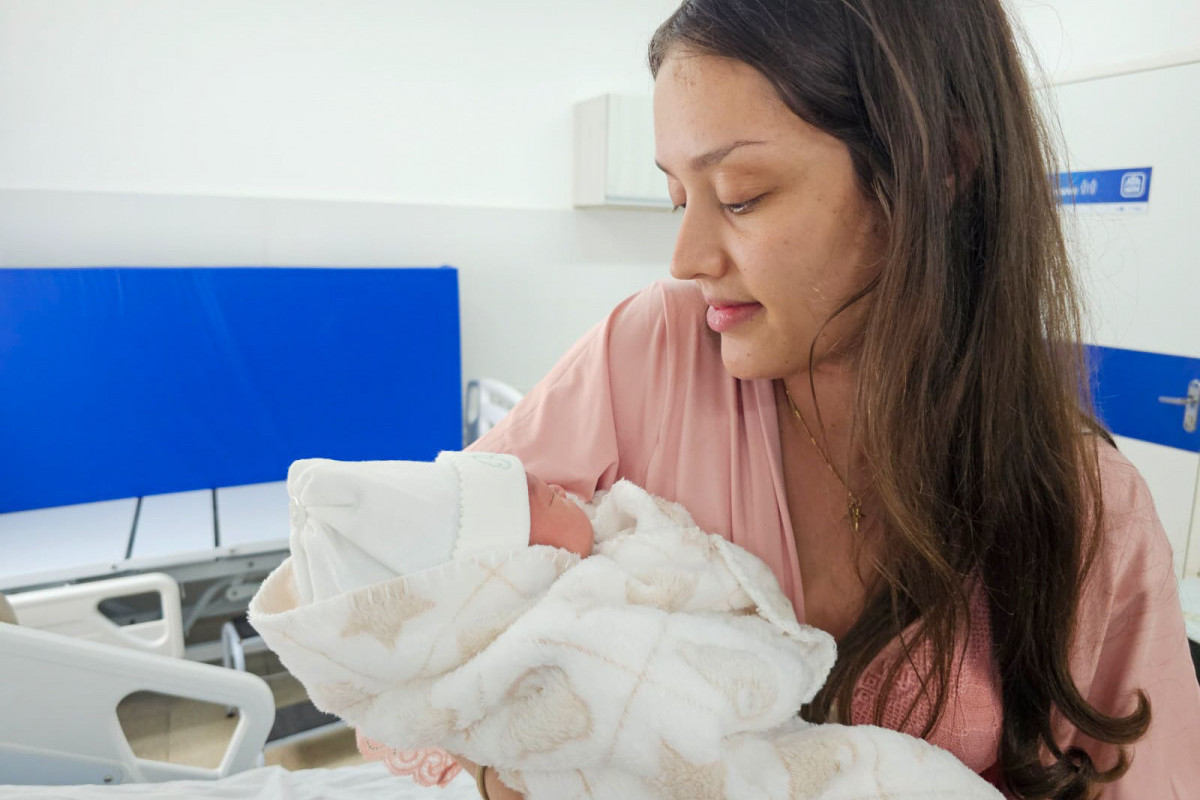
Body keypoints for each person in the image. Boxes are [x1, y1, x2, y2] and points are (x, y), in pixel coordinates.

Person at [449, 1, 1200, 798]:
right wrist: (514, 774)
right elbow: (416, 617)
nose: (687, 257)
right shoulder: (648, 356)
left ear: (940, 165)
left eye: (740, 196)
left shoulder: (1088, 509)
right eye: (678, 196)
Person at [250, 453, 1001, 798]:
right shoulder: (536, 630)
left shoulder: (580, 560)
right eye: (537, 498)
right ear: (505, 567)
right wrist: (493, 778)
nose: (558, 485)